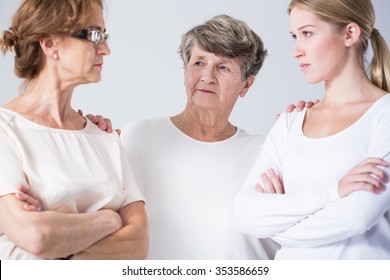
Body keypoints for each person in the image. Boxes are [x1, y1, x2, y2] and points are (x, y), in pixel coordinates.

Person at [235, 0, 390, 259]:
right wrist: (334, 192)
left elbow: (357, 217)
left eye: (307, 33)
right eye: (295, 36)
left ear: (350, 33)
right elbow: (245, 214)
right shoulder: (290, 122)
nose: (296, 51)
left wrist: (277, 224)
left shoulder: (384, 115)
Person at [0, 0, 148, 260]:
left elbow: (138, 244)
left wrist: (60, 242)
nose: (105, 49)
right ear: (50, 44)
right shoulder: (6, 130)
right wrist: (109, 220)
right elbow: (36, 236)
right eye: (93, 34)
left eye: (104, 35)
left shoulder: (104, 137)